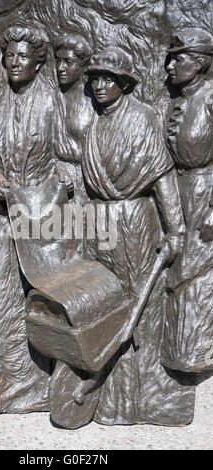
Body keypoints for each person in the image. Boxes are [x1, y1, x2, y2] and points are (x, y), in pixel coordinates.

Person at [82, 47, 195, 426]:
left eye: (108, 79)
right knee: (107, 304)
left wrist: (176, 228)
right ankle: (109, 397)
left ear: (124, 83)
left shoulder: (143, 119)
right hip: (100, 224)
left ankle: (140, 399)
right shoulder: (96, 124)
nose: (99, 86)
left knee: (138, 307)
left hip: (135, 222)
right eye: (95, 79)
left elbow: (163, 178)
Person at [0, 25, 54, 415]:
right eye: (10, 56)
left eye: (23, 57)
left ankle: (34, 385)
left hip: (38, 217)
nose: (15, 62)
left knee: (35, 300)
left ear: (37, 64)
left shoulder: (50, 102)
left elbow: (64, 154)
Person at [161, 29, 213, 373]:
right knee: (175, 271)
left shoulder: (210, 99)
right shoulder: (176, 102)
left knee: (197, 274)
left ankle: (196, 352)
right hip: (177, 191)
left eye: (179, 59)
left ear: (200, 63)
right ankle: (175, 350)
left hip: (203, 193)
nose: (170, 67)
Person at [53, 33, 93, 206]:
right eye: (58, 61)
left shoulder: (92, 101)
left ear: (82, 65)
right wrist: (59, 170)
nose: (61, 68)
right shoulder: (53, 98)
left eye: (68, 62)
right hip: (57, 179)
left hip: (88, 182)